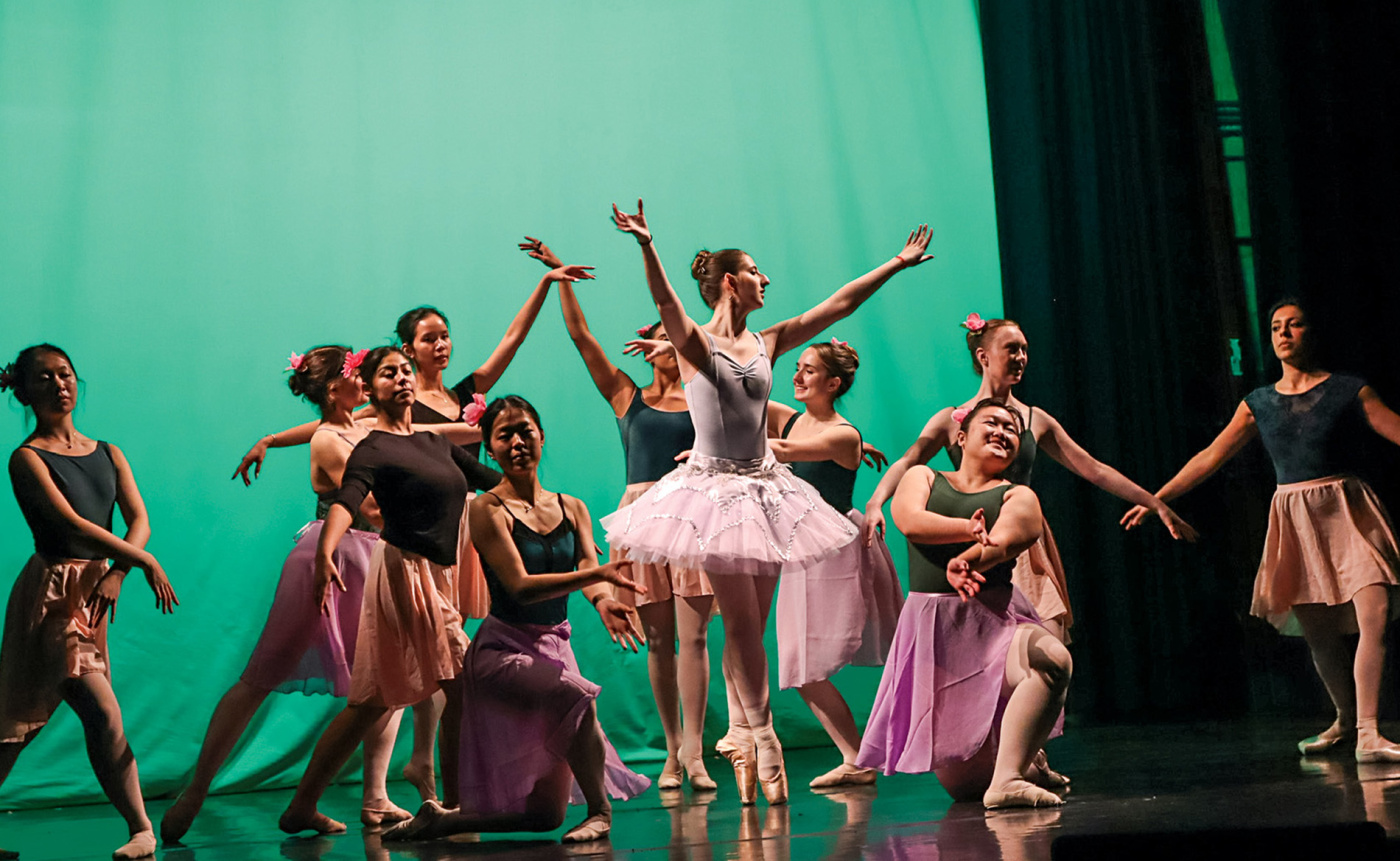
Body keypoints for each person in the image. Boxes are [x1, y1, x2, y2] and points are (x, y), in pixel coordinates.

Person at [604, 199, 932, 805]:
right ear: (731, 281)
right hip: (716, 492)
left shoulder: (769, 340)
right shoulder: (697, 345)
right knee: (746, 624)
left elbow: (838, 304)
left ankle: (741, 730)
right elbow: (665, 305)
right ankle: (761, 734)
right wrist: (647, 245)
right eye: (756, 272)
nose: (767, 280)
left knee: (749, 623)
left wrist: (896, 263)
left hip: (766, 488)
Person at [160, 346, 430, 843]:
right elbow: (371, 507)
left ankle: (372, 796)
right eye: (356, 373)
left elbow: (346, 430)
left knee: (387, 679)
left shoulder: (360, 423)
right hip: (332, 557)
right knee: (262, 675)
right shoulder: (332, 440)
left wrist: (267, 439)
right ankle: (195, 791)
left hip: (370, 557)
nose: (366, 379)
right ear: (335, 388)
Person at [1123, 299, 1400, 761]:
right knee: (1318, 631)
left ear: (1313, 332)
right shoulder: (1259, 403)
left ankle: (1370, 732)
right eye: (1276, 327)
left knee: (1374, 610)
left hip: (1346, 510)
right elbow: (1211, 456)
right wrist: (1158, 499)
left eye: (1295, 324)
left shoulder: (1350, 391)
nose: (1284, 333)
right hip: (1296, 517)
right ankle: (1345, 721)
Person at [383, 395, 650, 844]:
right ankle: (601, 813)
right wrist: (595, 574)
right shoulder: (486, 509)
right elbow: (521, 585)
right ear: (489, 448)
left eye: (525, 430)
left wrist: (603, 600)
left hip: (554, 648)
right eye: (504, 435)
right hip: (502, 653)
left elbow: (590, 575)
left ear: (542, 436)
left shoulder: (573, 507)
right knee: (578, 697)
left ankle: (443, 819)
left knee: (545, 816)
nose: (517, 441)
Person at [517, 235, 717, 792]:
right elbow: (581, 339)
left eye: (669, 339)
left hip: (694, 512)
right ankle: (673, 752)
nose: (662, 346)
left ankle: (696, 753)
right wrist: (560, 275)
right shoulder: (627, 395)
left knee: (695, 638)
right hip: (642, 517)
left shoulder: (704, 394)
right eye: (656, 339)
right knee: (658, 641)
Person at [276, 346, 501, 834]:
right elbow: (346, 501)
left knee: (372, 703)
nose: (401, 378)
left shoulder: (432, 442)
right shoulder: (371, 447)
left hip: (438, 574)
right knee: (460, 685)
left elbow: (494, 483)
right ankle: (460, 809)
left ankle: (301, 806)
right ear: (370, 389)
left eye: (404, 372)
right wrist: (323, 554)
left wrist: (542, 502)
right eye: (388, 373)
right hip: (404, 574)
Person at [862, 314, 1196, 642]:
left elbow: (1093, 469)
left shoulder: (1036, 420)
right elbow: (909, 460)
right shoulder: (953, 420)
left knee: (1044, 642)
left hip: (1021, 541)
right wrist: (876, 502)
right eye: (1011, 349)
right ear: (984, 356)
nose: (1021, 357)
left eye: (1024, 350)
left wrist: (1155, 503)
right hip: (975, 535)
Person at [0, 345, 178, 859]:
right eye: (44, 378)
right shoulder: (27, 458)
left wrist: (120, 570)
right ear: (24, 391)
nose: (59, 384)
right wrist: (143, 562)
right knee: (92, 712)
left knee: (17, 725)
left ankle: (141, 829)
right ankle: (142, 829)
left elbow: (138, 519)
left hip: (94, 592)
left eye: (66, 374)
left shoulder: (107, 451)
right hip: (52, 595)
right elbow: (72, 526)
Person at [856, 398, 1071, 809]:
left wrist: (967, 560)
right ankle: (1024, 765)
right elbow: (910, 520)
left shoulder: (1019, 497)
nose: (1003, 433)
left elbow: (1005, 541)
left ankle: (1008, 779)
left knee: (1053, 661)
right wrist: (967, 529)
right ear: (961, 436)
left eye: (1012, 430)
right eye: (992, 423)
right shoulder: (924, 476)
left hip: (993, 625)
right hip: (938, 634)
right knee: (965, 788)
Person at [763, 338, 903, 789]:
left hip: (835, 548)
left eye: (807, 370)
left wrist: (712, 461)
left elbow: (785, 452)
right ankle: (855, 757)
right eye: (798, 368)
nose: (797, 377)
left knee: (810, 662)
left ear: (834, 382)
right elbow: (745, 398)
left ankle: (864, 755)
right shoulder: (796, 419)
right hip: (804, 547)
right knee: (800, 666)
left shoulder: (842, 434)